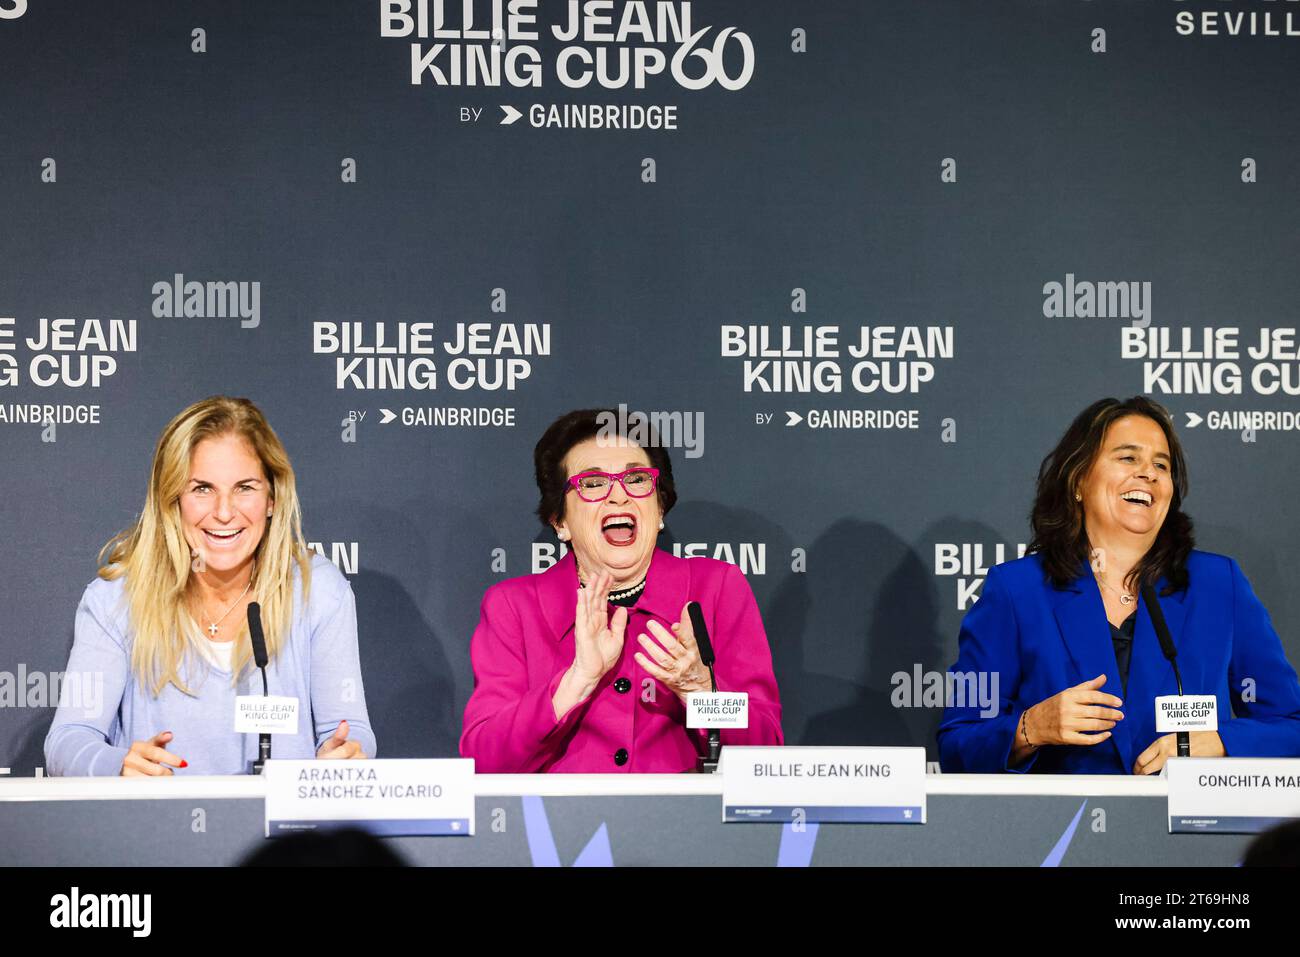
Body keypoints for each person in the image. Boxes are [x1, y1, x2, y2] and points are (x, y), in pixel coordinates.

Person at [938, 396, 1300, 774]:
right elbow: (957, 744)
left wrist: (1221, 743)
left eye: (1161, 464)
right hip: (1057, 828)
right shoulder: (1017, 591)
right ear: (1078, 479)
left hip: (1188, 829)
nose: (1148, 473)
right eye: (1128, 458)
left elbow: (1291, 725)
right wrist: (1030, 728)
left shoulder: (1217, 586)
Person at [45, 396, 375, 776]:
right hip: (155, 830)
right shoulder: (116, 600)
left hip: (282, 833)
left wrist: (346, 754)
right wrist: (117, 765)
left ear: (272, 497)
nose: (223, 511)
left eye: (244, 488)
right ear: (173, 498)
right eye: (202, 488)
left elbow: (350, 733)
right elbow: (68, 740)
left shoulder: (318, 592)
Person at [460, 408, 783, 772]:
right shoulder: (514, 606)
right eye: (594, 484)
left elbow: (765, 748)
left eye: (637, 478)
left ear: (659, 507)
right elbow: (484, 761)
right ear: (559, 520)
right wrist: (576, 681)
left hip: (685, 824)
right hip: (559, 825)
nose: (619, 497)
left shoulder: (715, 589)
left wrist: (699, 691)